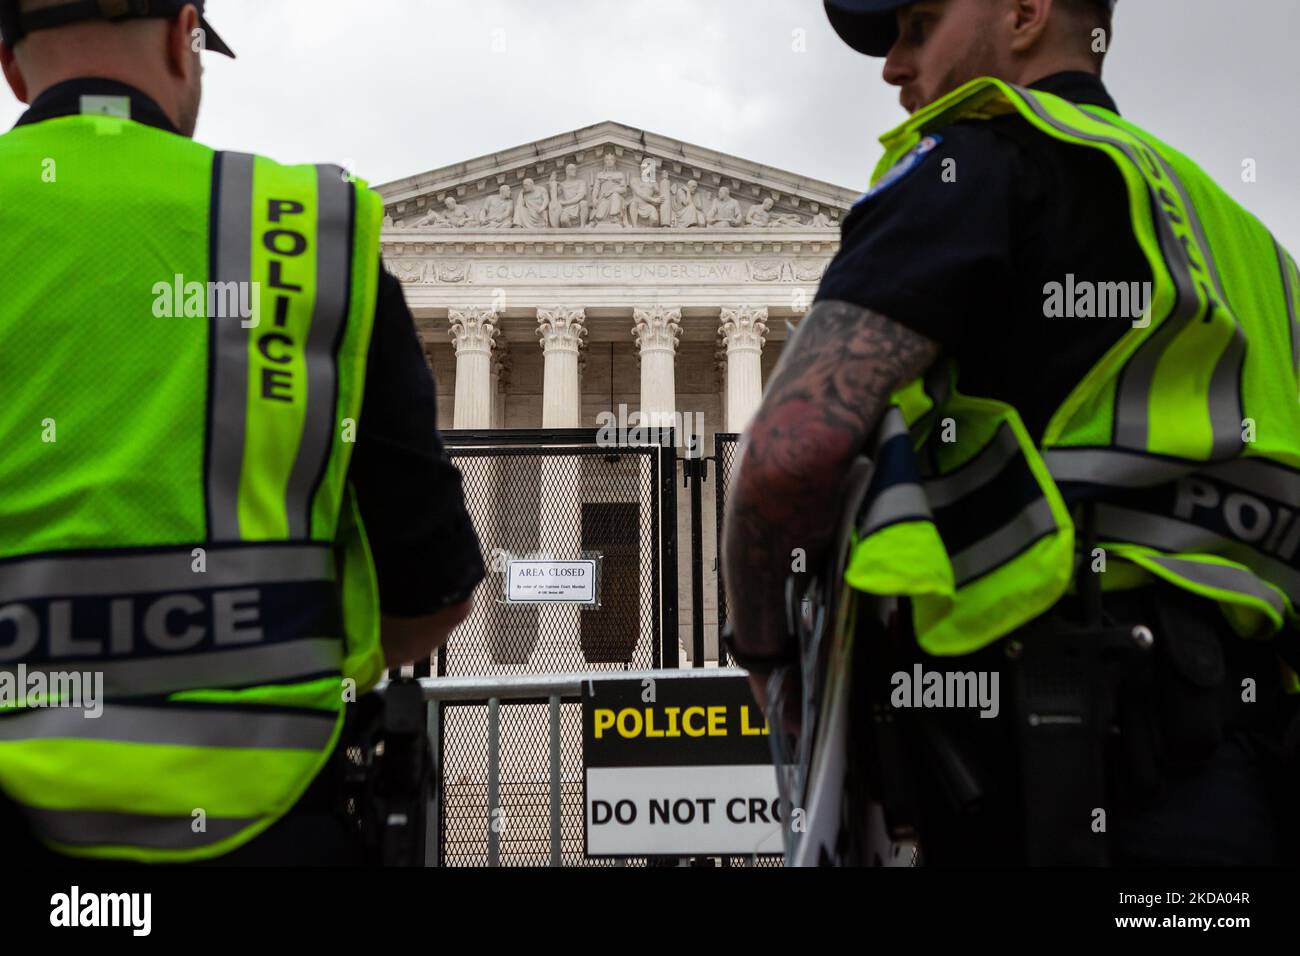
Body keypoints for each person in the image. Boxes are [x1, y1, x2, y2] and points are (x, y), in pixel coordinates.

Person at [722, 0, 1300, 865]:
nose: (894, 67)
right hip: (1255, 770)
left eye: (919, 27)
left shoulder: (978, 163)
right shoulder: (1249, 244)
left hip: (1056, 763)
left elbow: (788, 455)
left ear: (1025, 14)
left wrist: (767, 655)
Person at [0, 0, 485, 865]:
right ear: (183, 39)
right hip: (272, 824)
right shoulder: (304, 233)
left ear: (10, 66)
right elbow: (434, 587)